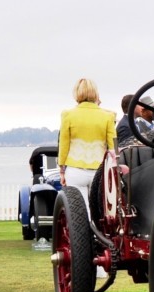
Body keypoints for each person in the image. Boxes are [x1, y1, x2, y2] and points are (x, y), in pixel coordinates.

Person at [58, 78, 117, 210]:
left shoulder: (68, 114)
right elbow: (113, 148)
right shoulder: (107, 116)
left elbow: (64, 146)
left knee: (80, 213)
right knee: (98, 211)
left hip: (75, 169)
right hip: (99, 170)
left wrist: (62, 170)